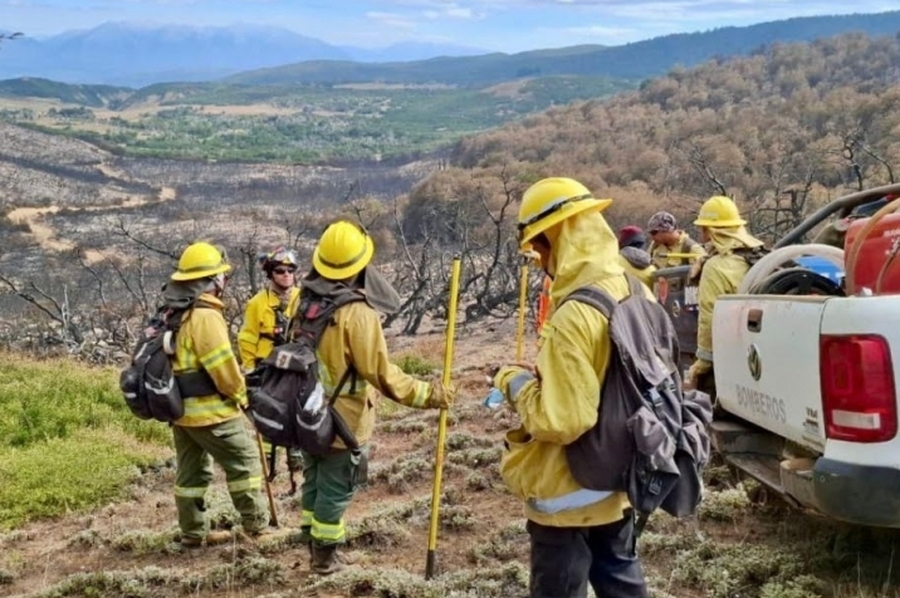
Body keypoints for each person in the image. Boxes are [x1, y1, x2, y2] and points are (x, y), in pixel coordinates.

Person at [491, 177, 650, 598]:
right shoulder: (635, 289)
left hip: (567, 495)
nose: (538, 258)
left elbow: (563, 421)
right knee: (621, 582)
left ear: (554, 238)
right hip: (620, 482)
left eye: (537, 247)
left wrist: (515, 382)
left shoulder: (573, 314)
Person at [297, 220, 455, 575]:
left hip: (306, 413)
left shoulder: (304, 300)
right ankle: (324, 557)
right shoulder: (358, 314)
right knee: (337, 489)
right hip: (344, 421)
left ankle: (310, 542)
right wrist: (429, 394)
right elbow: (381, 374)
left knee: (315, 479)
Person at [164, 241, 281, 548]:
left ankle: (192, 533)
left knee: (191, 473)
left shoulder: (174, 312)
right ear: (213, 280)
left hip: (181, 413)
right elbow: (223, 370)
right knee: (243, 462)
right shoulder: (205, 316)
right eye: (222, 277)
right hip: (211, 412)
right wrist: (243, 396)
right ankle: (256, 528)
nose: (224, 283)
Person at [238, 246, 303, 489]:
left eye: (290, 270)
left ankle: (296, 459)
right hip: (267, 369)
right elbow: (246, 337)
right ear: (270, 274)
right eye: (280, 271)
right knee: (268, 413)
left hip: (296, 368)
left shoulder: (302, 298)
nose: (286, 275)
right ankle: (267, 462)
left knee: (297, 412)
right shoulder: (257, 303)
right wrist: (248, 367)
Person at [686, 195, 765, 392]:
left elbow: (709, 317)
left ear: (710, 231)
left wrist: (701, 364)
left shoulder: (715, 267)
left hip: (730, 357)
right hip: (761, 353)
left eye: (703, 229)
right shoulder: (762, 256)